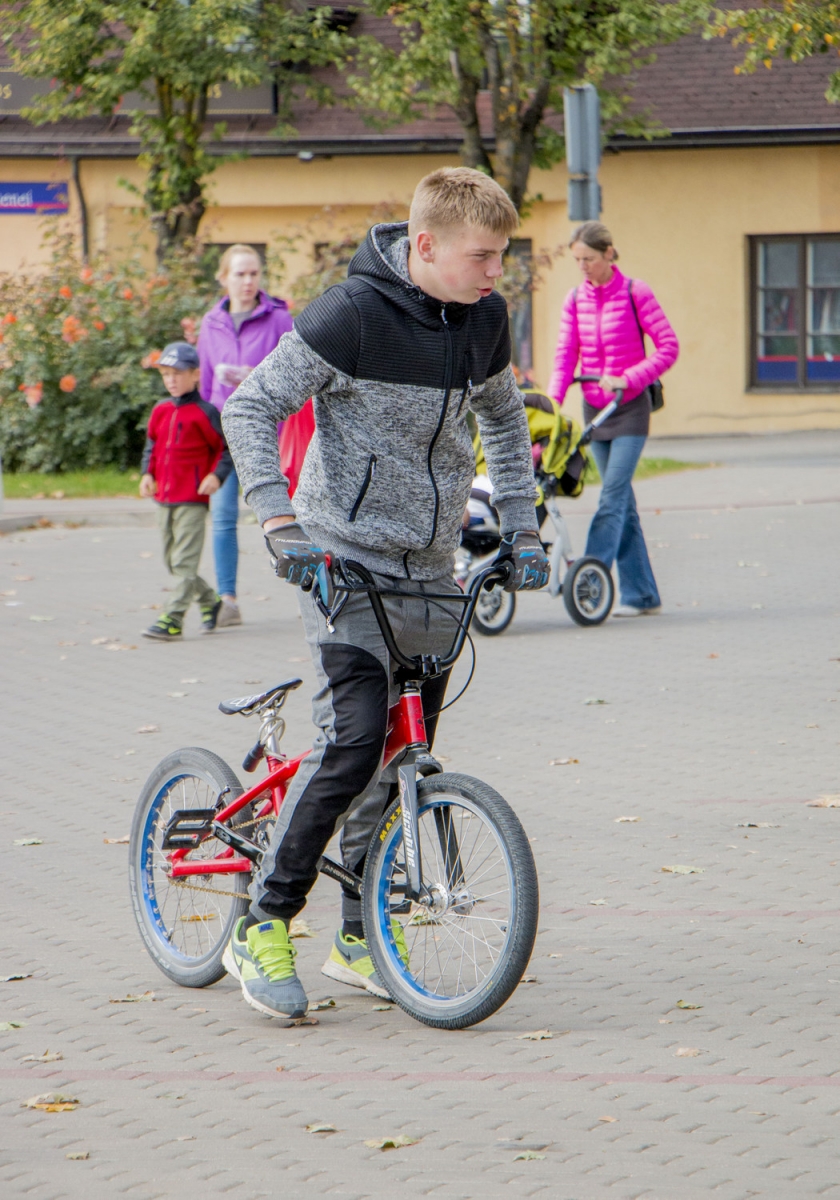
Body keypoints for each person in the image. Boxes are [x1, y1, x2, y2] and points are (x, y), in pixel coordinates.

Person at [221, 166, 549, 1020]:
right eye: (483, 256)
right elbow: (251, 408)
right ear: (428, 244)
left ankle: (361, 937)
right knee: (356, 739)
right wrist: (278, 524)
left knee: (404, 754)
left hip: (430, 567)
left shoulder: (483, 319)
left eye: (502, 257)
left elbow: (506, 421)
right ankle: (264, 922)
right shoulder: (351, 315)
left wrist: (521, 529)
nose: (494, 273)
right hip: (338, 555)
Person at [549, 221, 679, 616]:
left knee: (612, 496)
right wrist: (551, 406)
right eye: (577, 260)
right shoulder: (575, 299)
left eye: (589, 258)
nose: (583, 266)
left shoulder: (635, 292)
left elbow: (668, 348)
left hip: (630, 408)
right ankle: (642, 596)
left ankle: (591, 579)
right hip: (596, 411)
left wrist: (629, 377)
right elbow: (565, 355)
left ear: (608, 253)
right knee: (624, 504)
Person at [197, 245, 294, 628]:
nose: (249, 281)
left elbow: (293, 377)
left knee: (287, 517)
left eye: (254, 273)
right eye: (240, 274)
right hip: (223, 437)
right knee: (222, 518)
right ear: (224, 277)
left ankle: (321, 590)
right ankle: (228, 600)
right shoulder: (211, 323)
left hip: (269, 432)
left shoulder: (279, 319)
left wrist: (253, 375)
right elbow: (205, 387)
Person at [139, 342, 233, 641]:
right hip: (164, 498)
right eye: (166, 374)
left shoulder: (206, 412)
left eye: (178, 373)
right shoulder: (160, 410)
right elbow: (152, 446)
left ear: (195, 375)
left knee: (184, 563)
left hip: (192, 498)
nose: (171, 380)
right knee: (173, 562)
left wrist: (216, 476)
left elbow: (226, 450)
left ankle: (173, 617)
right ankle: (211, 601)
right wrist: (146, 473)